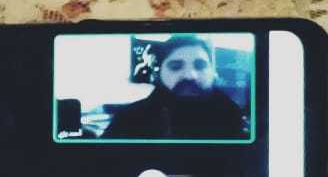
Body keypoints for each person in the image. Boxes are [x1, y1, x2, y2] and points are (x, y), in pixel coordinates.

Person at [102, 35, 247, 140]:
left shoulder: (233, 118)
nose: (190, 75)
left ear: (213, 72)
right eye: (176, 66)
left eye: (200, 65)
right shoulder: (128, 120)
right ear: (159, 73)